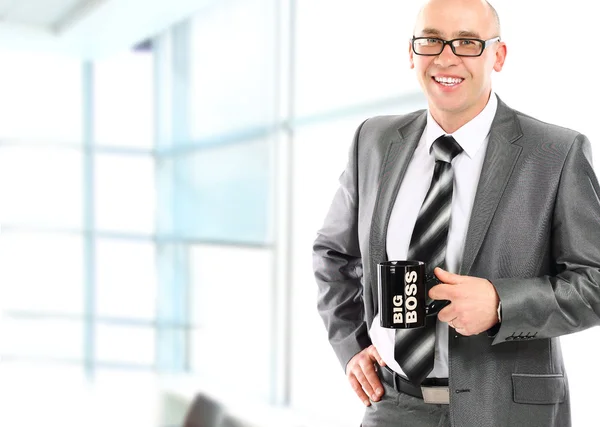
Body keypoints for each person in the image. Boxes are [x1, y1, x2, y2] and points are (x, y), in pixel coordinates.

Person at [312, 0, 600, 426]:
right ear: (411, 52)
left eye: (467, 42)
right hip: (393, 406)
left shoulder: (556, 152)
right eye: (431, 41)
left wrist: (502, 304)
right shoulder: (372, 140)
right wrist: (352, 345)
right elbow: (333, 255)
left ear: (497, 55)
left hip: (509, 411)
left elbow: (594, 281)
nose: (447, 57)